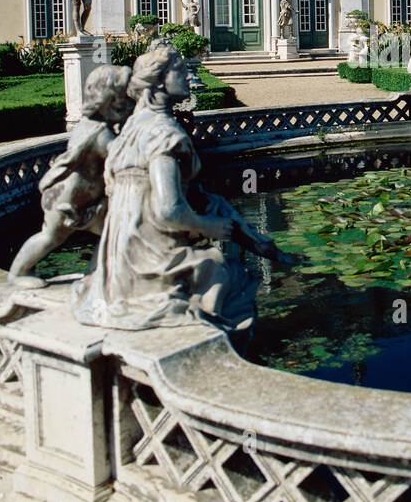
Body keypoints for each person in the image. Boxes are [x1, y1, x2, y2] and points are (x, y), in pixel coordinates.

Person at [71, 43, 288, 333]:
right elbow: (168, 209)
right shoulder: (163, 134)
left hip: (118, 261)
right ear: (159, 82)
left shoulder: (127, 130)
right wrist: (206, 225)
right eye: (180, 71)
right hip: (149, 265)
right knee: (231, 278)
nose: (188, 77)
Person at [8, 66, 132, 289]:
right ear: (109, 101)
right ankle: (17, 273)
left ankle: (94, 275)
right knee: (50, 238)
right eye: (124, 99)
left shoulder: (89, 126)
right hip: (67, 202)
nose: (127, 105)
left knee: (112, 233)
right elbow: (122, 157)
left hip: (83, 199)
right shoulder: (100, 134)